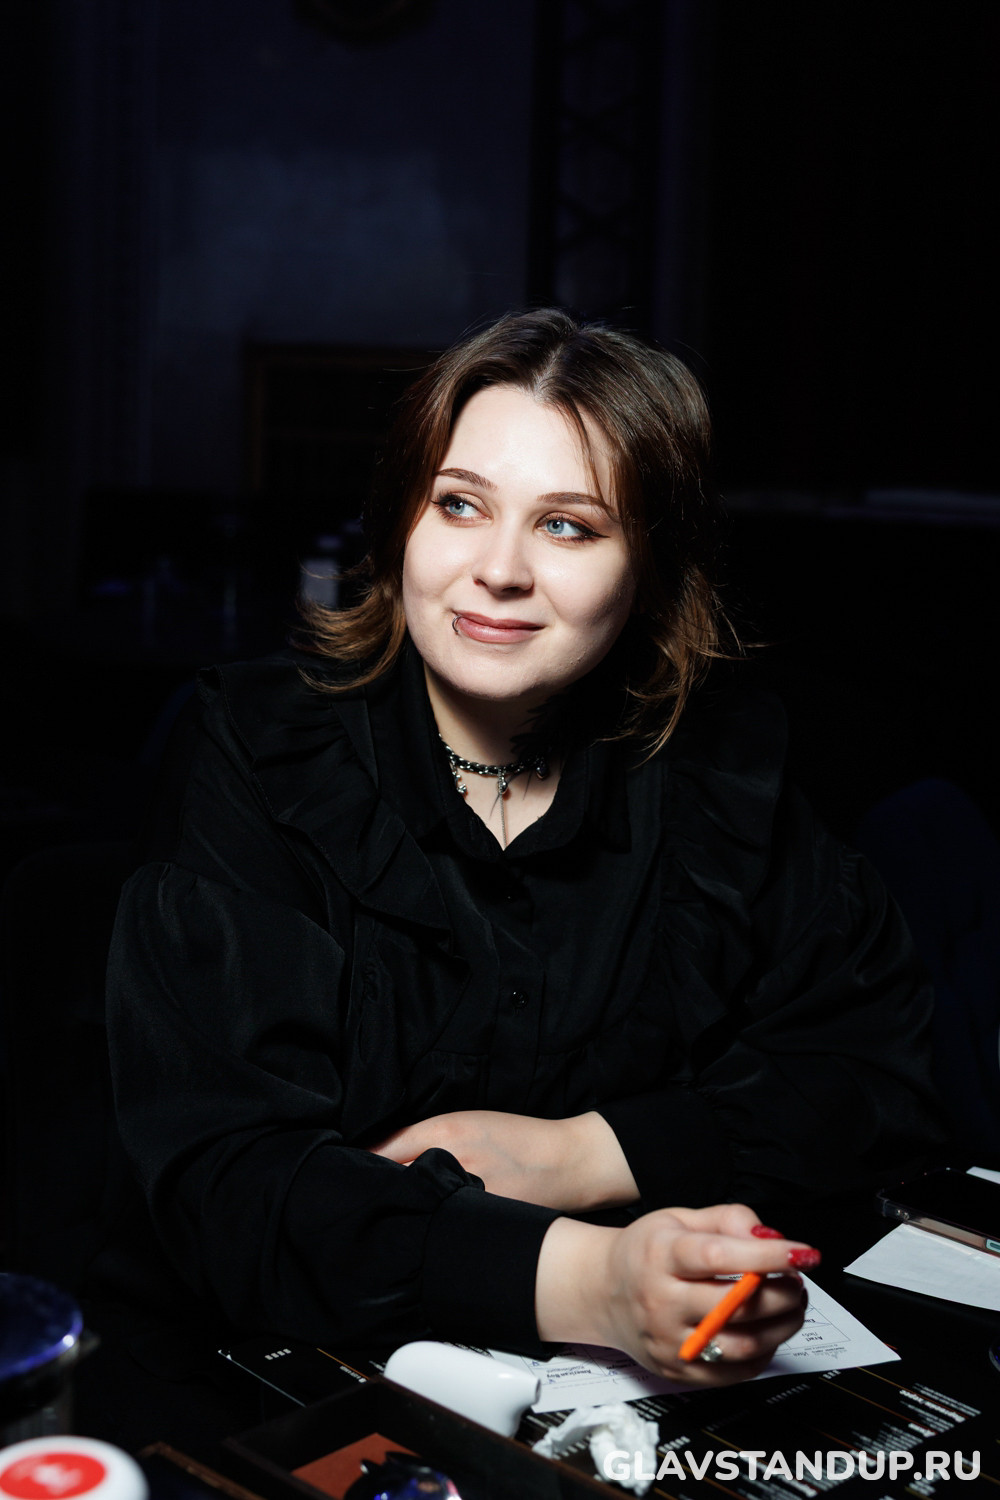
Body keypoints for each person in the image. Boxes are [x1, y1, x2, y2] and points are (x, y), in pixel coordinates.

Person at [106, 309, 942, 1388]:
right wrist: (595, 1281)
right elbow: (227, 1185)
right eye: (458, 504)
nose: (497, 570)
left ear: (648, 569)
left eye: (568, 526)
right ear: (399, 521)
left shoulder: (722, 772)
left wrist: (585, 1151)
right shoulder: (255, 753)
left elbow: (872, 1078)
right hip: (270, 1380)